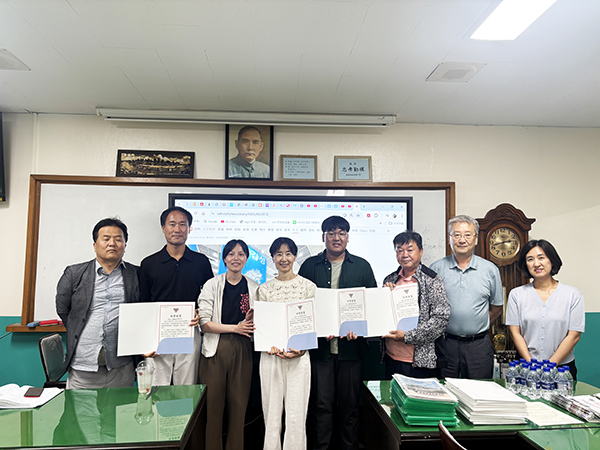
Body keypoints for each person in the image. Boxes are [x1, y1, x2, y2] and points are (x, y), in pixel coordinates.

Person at [298, 216, 377, 450]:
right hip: (320, 351)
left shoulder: (362, 266)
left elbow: (371, 304)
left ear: (347, 237)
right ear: (323, 237)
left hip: (351, 350)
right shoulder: (309, 266)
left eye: (341, 233)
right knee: (321, 405)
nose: (336, 237)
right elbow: (301, 304)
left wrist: (358, 329)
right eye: (331, 233)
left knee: (350, 406)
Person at [56, 217, 140, 389]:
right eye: (106, 238)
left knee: (120, 407)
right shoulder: (74, 274)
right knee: (79, 408)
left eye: (118, 239)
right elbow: (63, 310)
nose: (112, 243)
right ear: (95, 245)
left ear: (125, 245)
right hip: (83, 365)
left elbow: (144, 311)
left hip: (121, 365)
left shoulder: (136, 274)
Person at [139, 206, 214, 385]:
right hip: (158, 333)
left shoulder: (201, 261)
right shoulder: (149, 263)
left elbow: (209, 296)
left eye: (183, 224)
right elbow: (143, 302)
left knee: (187, 387)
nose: (177, 229)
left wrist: (200, 312)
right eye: (172, 224)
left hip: (189, 331)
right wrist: (145, 340)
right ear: (163, 228)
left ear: (189, 228)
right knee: (156, 387)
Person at [198, 239, 259, 450]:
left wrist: (252, 320)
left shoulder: (254, 288)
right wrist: (235, 328)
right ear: (224, 258)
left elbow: (258, 323)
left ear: (246, 259)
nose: (236, 258)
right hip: (215, 349)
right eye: (231, 254)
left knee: (239, 406)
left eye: (241, 254)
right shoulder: (212, 284)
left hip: (243, 349)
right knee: (213, 407)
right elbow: (204, 323)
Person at [259, 237, 316, 450]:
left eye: (288, 253)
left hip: (299, 356)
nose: (284, 258)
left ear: (295, 256)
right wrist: (269, 345)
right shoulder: (264, 289)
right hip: (271, 356)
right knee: (271, 414)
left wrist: (301, 349)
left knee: (296, 414)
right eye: (279, 254)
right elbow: (262, 326)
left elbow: (311, 323)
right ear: (273, 258)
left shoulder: (308, 287)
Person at [430, 215, 503, 379]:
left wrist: (477, 326)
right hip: (445, 344)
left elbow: (497, 308)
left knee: (479, 390)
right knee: (445, 390)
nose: (462, 240)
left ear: (476, 239)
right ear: (449, 238)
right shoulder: (436, 269)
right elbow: (428, 307)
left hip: (478, 346)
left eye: (467, 235)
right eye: (456, 235)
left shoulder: (490, 270)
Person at [506, 239, 584, 379]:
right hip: (526, 367)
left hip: (562, 370)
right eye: (530, 259)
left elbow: (574, 336)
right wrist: (531, 365)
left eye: (541, 258)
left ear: (552, 260)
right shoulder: (517, 294)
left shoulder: (572, 295)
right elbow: (515, 332)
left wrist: (550, 366)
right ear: (525, 264)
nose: (536, 264)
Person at [381, 231, 450, 379]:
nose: (405, 255)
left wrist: (407, 336)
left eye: (410, 250)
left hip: (419, 362)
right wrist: (384, 295)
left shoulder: (432, 280)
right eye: (400, 250)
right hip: (391, 357)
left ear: (421, 251)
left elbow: (440, 320)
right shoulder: (390, 280)